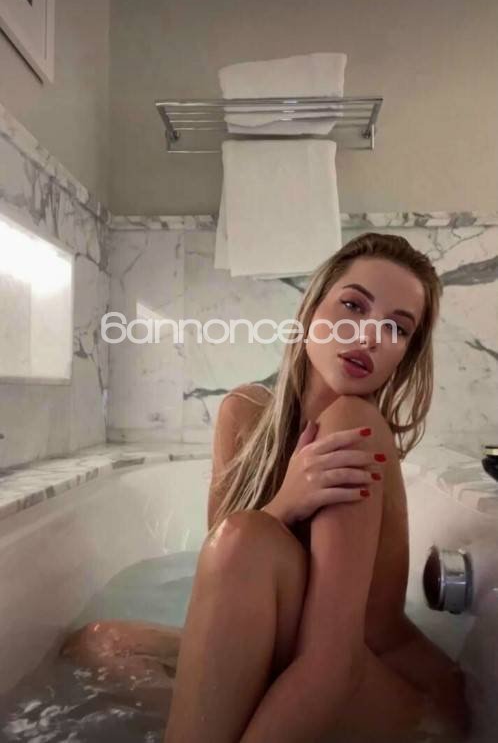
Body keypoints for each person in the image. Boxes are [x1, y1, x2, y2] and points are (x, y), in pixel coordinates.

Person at [61, 232, 472, 742]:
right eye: (353, 306)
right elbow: (223, 574)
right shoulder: (242, 413)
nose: (370, 336)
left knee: (247, 539)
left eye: (396, 328)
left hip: (400, 701)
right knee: (98, 643)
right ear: (311, 309)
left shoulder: (355, 424)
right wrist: (284, 504)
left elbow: (333, 666)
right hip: (301, 658)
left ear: (404, 356)